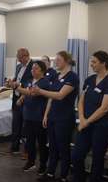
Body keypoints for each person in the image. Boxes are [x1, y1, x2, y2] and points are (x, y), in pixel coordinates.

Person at [71, 50, 108, 182]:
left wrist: (86, 122)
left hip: (102, 127)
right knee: (76, 155)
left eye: (94, 62)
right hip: (86, 123)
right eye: (91, 61)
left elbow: (104, 109)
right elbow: (81, 100)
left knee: (97, 159)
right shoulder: (89, 80)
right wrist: (81, 118)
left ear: (103, 63)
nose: (91, 64)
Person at [34, 51, 79, 182]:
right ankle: (50, 174)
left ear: (66, 61)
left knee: (63, 148)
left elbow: (60, 95)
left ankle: (64, 176)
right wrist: (46, 115)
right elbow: (50, 97)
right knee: (52, 147)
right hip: (53, 116)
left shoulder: (72, 77)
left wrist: (40, 91)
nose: (55, 62)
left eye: (58, 60)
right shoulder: (57, 76)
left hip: (64, 118)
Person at [14, 61, 50, 174]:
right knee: (29, 142)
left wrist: (16, 87)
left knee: (41, 143)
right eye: (32, 68)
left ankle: (43, 165)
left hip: (39, 117)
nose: (32, 70)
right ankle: (31, 162)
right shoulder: (30, 81)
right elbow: (27, 92)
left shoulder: (44, 82)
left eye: (36, 68)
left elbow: (32, 93)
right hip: (28, 116)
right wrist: (21, 98)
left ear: (42, 71)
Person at [5, 48, 33, 155]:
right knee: (15, 123)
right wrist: (11, 82)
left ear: (26, 56)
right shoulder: (18, 66)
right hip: (16, 97)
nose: (18, 59)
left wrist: (19, 89)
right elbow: (18, 79)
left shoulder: (33, 66)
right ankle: (14, 147)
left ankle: (27, 150)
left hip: (26, 98)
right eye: (18, 57)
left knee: (26, 126)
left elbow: (31, 83)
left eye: (20, 57)